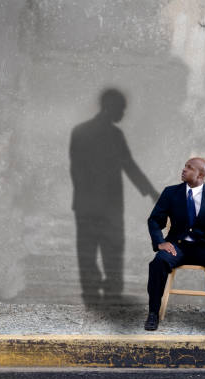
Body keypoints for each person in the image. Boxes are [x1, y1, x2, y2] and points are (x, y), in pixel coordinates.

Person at [70, 89, 159, 306]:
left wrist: (85, 196)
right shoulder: (114, 135)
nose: (124, 113)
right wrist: (152, 192)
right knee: (113, 247)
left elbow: (76, 170)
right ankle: (112, 288)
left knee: (87, 249)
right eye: (121, 108)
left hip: (85, 203)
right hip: (110, 204)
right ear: (111, 107)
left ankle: (91, 289)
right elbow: (129, 166)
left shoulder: (79, 131)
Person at [145, 158, 205, 331]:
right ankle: (153, 313)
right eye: (185, 166)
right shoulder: (170, 193)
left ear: (200, 175)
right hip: (177, 247)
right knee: (158, 262)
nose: (184, 170)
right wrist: (160, 242)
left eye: (189, 168)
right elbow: (154, 220)